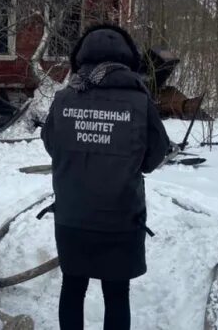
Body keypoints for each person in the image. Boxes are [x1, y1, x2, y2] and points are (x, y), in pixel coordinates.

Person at [41, 24, 173, 330]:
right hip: (121, 219)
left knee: (72, 288)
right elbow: (155, 155)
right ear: (128, 60)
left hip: (72, 217)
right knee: (117, 294)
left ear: (80, 58)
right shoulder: (140, 103)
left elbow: (52, 145)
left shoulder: (64, 99)